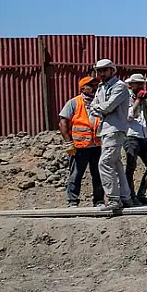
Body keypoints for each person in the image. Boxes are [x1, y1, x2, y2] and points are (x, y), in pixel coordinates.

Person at [89, 59, 133, 211]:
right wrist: (100, 109)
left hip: (115, 129)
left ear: (112, 70)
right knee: (115, 164)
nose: (101, 73)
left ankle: (114, 199)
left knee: (105, 162)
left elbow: (107, 107)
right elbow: (92, 108)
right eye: (99, 70)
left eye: (104, 70)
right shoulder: (101, 87)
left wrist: (100, 109)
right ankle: (125, 197)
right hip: (105, 129)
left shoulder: (119, 86)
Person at [59, 76, 103, 207]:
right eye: (91, 85)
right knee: (76, 175)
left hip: (97, 145)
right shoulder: (74, 103)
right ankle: (72, 201)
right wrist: (68, 142)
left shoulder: (99, 102)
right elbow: (63, 123)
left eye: (96, 85)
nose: (95, 88)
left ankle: (99, 200)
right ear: (83, 88)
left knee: (98, 174)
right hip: (80, 147)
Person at [123, 73, 147, 205]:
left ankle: (141, 194)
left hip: (143, 135)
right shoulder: (126, 97)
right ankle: (130, 196)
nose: (140, 86)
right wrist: (137, 101)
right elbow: (128, 117)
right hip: (131, 135)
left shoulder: (143, 97)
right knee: (131, 167)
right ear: (131, 84)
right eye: (138, 83)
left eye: (142, 83)